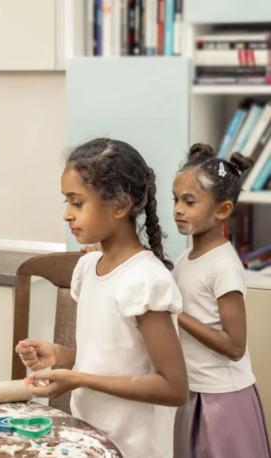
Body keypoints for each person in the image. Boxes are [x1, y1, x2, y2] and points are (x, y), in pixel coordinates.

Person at [16, 138, 188, 457]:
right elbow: (110, 359)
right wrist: (60, 356)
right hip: (91, 441)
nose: (67, 214)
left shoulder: (145, 281)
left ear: (120, 206)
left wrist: (78, 377)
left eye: (77, 203)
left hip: (134, 448)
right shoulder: (87, 268)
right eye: (66, 202)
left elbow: (174, 387)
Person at [171, 144, 270, 457]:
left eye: (189, 201)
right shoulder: (185, 258)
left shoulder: (224, 265)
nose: (177, 209)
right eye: (175, 199)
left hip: (223, 400)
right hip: (194, 392)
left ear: (223, 210)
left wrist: (176, 314)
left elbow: (234, 345)